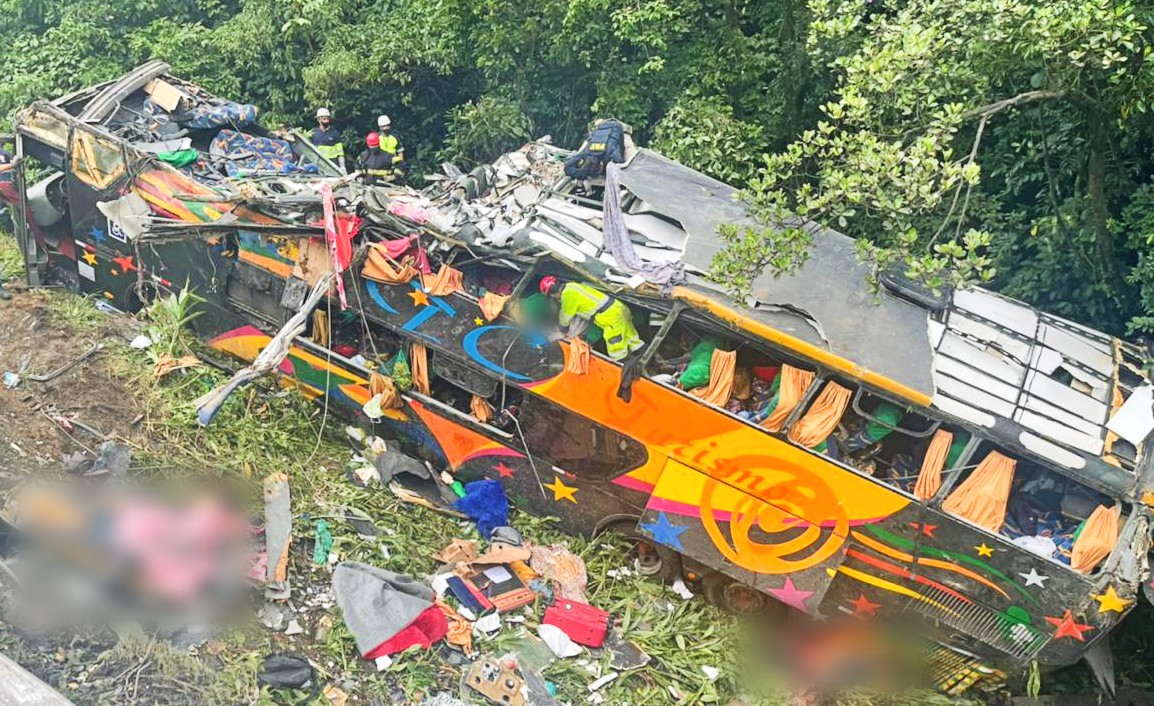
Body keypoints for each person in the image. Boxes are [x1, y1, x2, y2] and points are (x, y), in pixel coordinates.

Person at [539, 275, 643, 361]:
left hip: (611, 317)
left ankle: (626, 372)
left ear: (553, 294)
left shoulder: (567, 295)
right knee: (633, 340)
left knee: (616, 349)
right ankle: (648, 358)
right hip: (619, 308)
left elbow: (565, 316)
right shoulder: (572, 285)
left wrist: (563, 330)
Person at [310, 108, 345, 172]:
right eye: (324, 119)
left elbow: (340, 153)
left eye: (327, 119)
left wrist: (342, 167)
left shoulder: (335, 133)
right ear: (318, 119)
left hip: (332, 165)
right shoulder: (313, 133)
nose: (326, 121)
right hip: (319, 165)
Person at [375, 115, 405, 180]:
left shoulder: (395, 137)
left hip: (393, 164)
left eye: (387, 125)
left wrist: (401, 166)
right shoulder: (377, 137)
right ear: (380, 127)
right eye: (383, 126)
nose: (386, 128)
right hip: (381, 166)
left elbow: (400, 152)